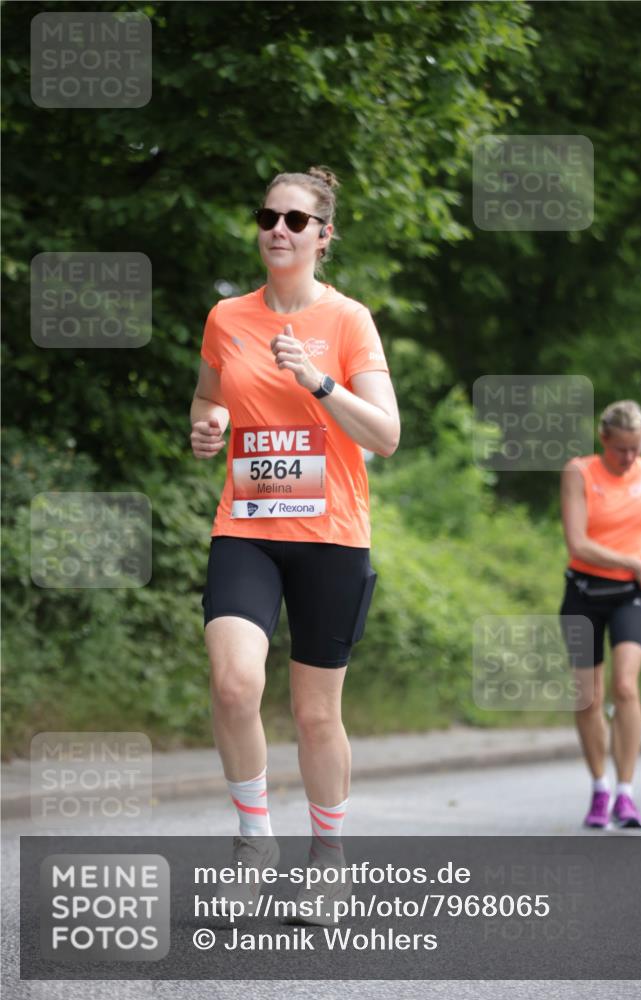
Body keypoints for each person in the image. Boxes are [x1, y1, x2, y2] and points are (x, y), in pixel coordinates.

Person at [190, 166, 400, 900]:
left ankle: (329, 861)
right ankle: (254, 841)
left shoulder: (348, 320)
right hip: (246, 527)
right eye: (268, 217)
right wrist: (210, 423)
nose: (278, 229)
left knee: (314, 715)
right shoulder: (227, 318)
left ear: (323, 235)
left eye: (295, 220)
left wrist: (317, 380)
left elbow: (386, 435)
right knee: (233, 684)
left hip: (330, 536)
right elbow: (210, 395)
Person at [560, 400, 641, 829]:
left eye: (636, 448)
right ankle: (599, 788)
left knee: (624, 685)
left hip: (631, 595)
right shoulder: (579, 472)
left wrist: (640, 552)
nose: (629, 457)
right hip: (584, 593)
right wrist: (632, 560)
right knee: (589, 697)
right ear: (604, 440)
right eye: (621, 448)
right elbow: (578, 543)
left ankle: (626, 793)